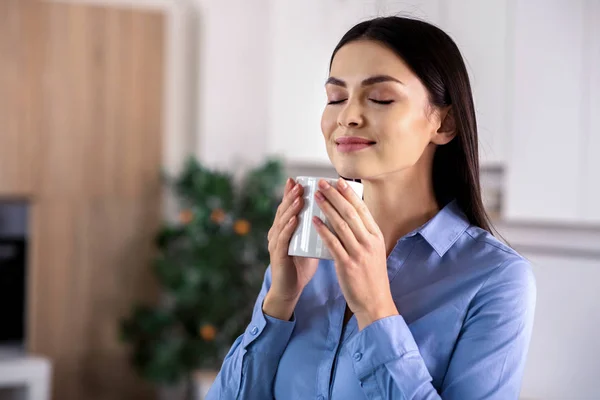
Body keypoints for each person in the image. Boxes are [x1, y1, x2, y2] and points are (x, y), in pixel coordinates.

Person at [206, 16, 536, 400]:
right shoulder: (306, 254)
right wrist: (280, 300)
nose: (348, 116)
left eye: (380, 98)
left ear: (444, 123)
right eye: (335, 98)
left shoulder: (496, 279)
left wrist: (375, 308)